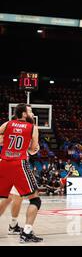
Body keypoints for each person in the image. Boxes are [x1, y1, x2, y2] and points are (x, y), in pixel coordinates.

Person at [0, 104, 42, 242]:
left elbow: (1, 139)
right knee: (35, 199)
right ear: (24, 114)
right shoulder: (33, 128)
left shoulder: (7, 124)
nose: (32, 113)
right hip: (19, 164)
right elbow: (32, 149)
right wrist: (33, 147)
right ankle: (27, 232)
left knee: (5, 199)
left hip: (4, 162)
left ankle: (13, 225)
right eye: (30, 111)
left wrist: (5, 141)